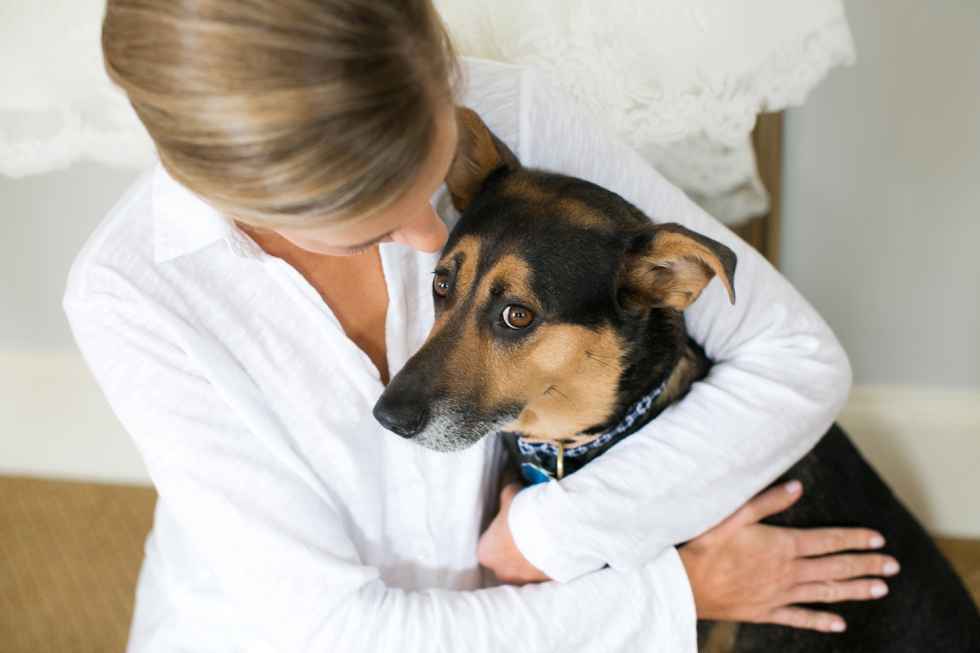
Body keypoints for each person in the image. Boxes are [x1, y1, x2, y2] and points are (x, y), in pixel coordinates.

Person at [67, 0, 898, 651]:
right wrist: (679, 593)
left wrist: (560, 532)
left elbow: (795, 355)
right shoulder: (129, 295)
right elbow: (341, 634)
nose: (435, 238)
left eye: (441, 182)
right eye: (374, 228)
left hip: (541, 601)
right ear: (253, 208)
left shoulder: (501, 111)